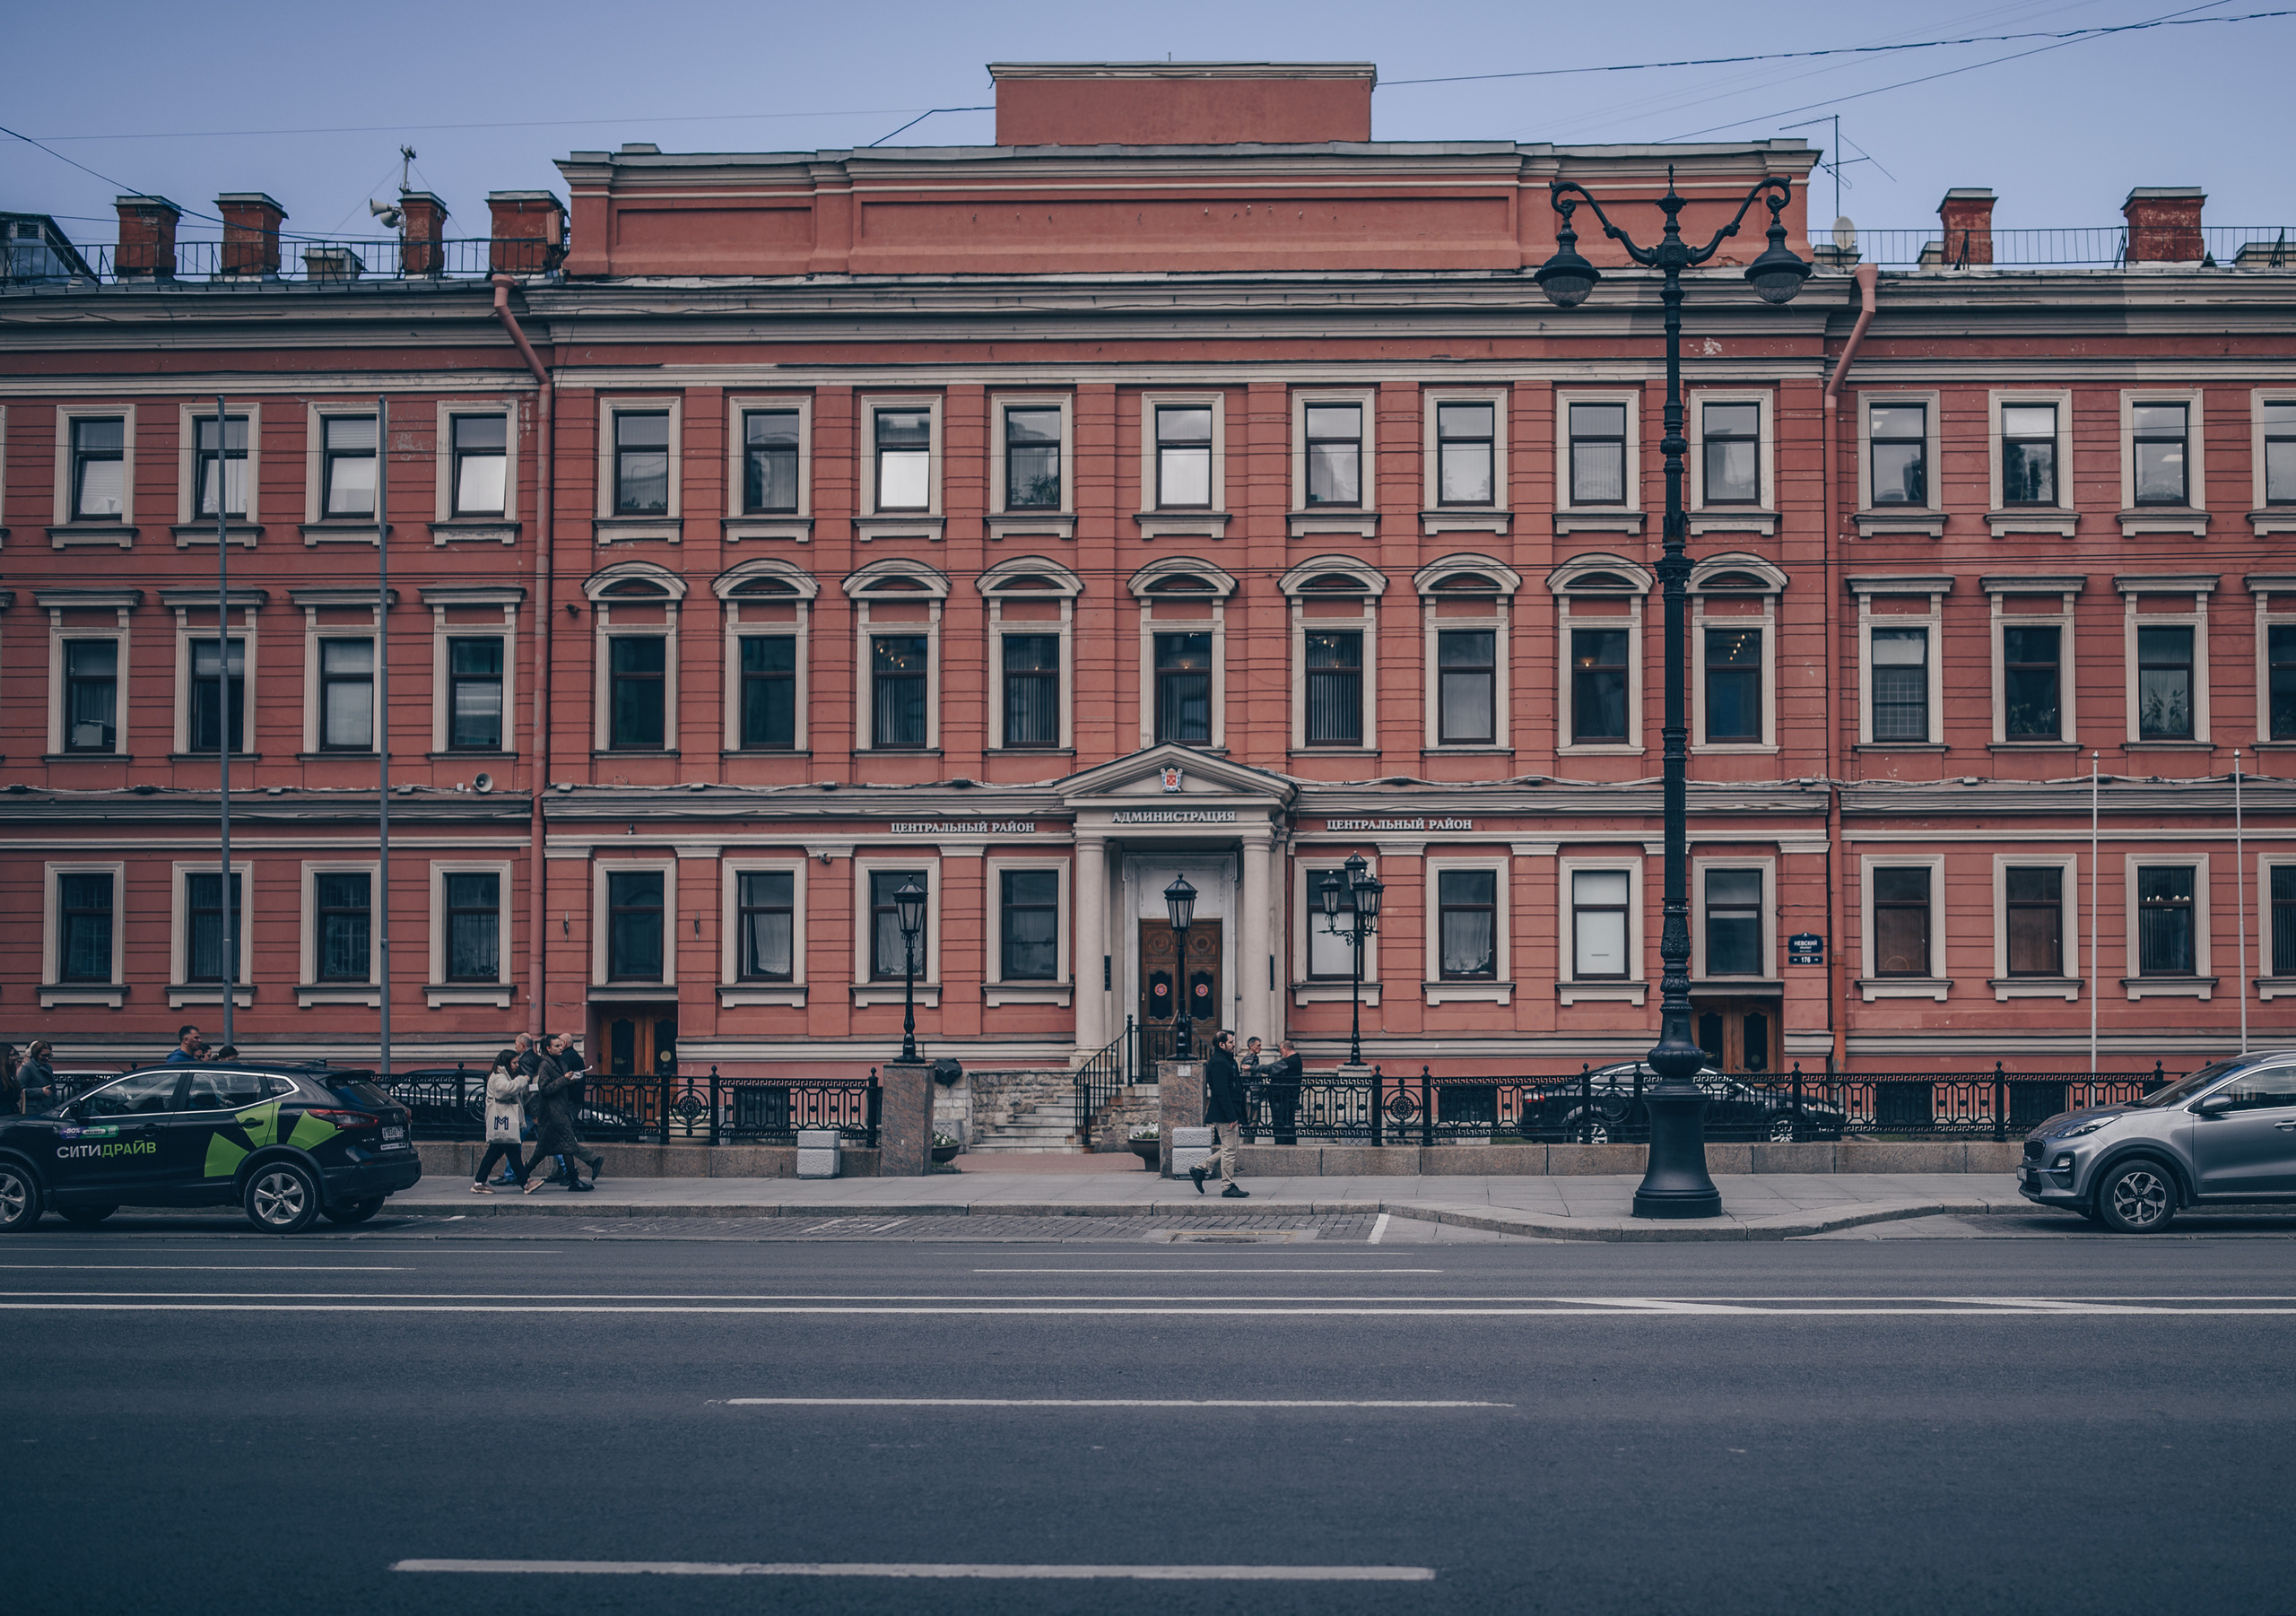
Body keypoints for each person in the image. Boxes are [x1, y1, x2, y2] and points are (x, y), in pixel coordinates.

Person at [522, 1035, 604, 1194]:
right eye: (557, 1046)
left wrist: (570, 1080)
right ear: (548, 1049)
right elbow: (544, 1089)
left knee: (548, 1149)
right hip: (553, 1113)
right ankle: (573, 1180)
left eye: (560, 1045)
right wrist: (564, 1080)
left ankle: (524, 1174)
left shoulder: (557, 1062)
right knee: (565, 1146)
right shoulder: (545, 1064)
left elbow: (557, 1085)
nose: (561, 1048)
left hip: (559, 1111)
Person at [1188, 1030, 1248, 1198]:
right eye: (1231, 1042)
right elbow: (1221, 1092)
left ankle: (1200, 1169)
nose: (1234, 1044)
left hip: (1228, 1112)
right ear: (1222, 1044)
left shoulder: (1227, 1060)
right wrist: (1231, 1116)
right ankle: (1227, 1186)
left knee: (1230, 1148)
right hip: (1224, 1114)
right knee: (1230, 1150)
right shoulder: (1218, 1062)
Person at [471, 1047, 531, 1195]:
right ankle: (525, 1182)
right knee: (513, 1152)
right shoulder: (499, 1076)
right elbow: (503, 1092)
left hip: (503, 1121)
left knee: (494, 1154)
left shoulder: (503, 1075)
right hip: (503, 1120)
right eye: (514, 1062)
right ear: (506, 1063)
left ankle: (479, 1182)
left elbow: (512, 1093)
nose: (517, 1065)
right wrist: (522, 1080)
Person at [1265, 1038, 1305, 1148]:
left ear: (1285, 1049)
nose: (1280, 1052)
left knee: (1281, 1123)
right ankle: (1288, 1146)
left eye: (1280, 1050)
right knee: (1288, 1124)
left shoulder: (1291, 1060)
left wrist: (1252, 1068)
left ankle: (1282, 1146)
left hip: (1283, 1097)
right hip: (1287, 1097)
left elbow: (1271, 1068)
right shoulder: (1296, 1059)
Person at [18, 1042, 59, 1115]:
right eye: (43, 1055)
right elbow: (19, 1090)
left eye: (49, 1055)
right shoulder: (28, 1067)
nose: (47, 1058)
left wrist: (57, 1108)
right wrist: (40, 1091)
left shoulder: (48, 1067)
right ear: (36, 1054)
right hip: (33, 1111)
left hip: (48, 1109)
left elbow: (53, 1090)